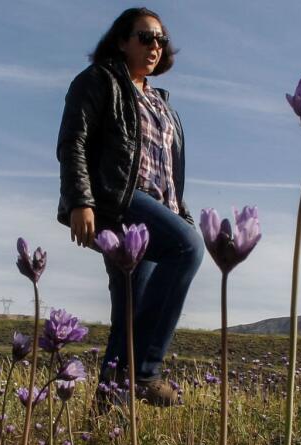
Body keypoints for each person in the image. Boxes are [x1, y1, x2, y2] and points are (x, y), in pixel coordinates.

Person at [55, 6, 203, 407]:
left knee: (129, 311)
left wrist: (181, 215)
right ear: (122, 41)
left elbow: (170, 171)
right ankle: (145, 370)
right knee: (188, 247)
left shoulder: (162, 103)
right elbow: (74, 142)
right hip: (120, 201)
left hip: (160, 206)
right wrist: (80, 200)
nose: (155, 45)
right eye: (144, 37)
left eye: (161, 39)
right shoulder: (99, 80)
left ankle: (108, 424)